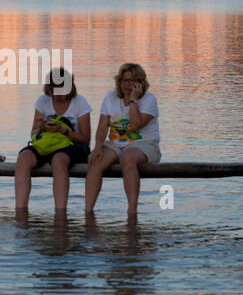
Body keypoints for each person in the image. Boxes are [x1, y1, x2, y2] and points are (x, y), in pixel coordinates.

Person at [85, 63, 161, 216]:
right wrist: (98, 147)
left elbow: (134, 126)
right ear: (119, 82)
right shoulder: (110, 97)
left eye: (132, 81)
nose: (128, 85)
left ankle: (132, 211)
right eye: (124, 81)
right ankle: (88, 211)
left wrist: (133, 100)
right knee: (95, 161)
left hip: (145, 145)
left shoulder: (149, 99)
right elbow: (102, 126)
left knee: (127, 158)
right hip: (115, 144)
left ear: (140, 83)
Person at [14, 67, 92, 215]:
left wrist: (63, 131)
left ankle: (60, 213)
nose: (57, 95)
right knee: (23, 158)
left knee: (58, 160)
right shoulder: (42, 101)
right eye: (53, 91)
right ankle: (20, 211)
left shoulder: (80, 102)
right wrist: (42, 126)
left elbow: (86, 139)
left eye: (61, 91)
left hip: (73, 145)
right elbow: (34, 133)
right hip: (47, 144)